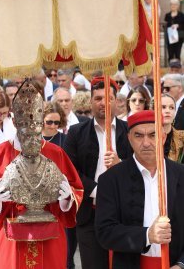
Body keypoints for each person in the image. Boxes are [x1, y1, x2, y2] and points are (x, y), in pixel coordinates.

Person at [0, 80, 83, 269]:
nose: (31, 126)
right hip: (10, 236)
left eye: (36, 120)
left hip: (49, 234)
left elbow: (76, 188)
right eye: (25, 120)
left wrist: (67, 198)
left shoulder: (56, 153)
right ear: (14, 121)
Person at [95, 110, 184, 269]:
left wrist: (181, 264)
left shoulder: (181, 175)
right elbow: (104, 233)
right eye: (138, 136)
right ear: (129, 138)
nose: (146, 143)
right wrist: (147, 235)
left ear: (163, 137)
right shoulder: (110, 179)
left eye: (152, 135)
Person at [64, 76, 133, 269]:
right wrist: (96, 190)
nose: (103, 103)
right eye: (98, 98)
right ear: (91, 101)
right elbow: (69, 171)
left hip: (124, 213)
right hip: (90, 212)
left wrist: (121, 164)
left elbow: (141, 166)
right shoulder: (77, 132)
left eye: (108, 98)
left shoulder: (130, 131)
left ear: (116, 100)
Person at [160, 94, 184, 163]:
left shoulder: (182, 138)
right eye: (163, 107)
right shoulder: (146, 137)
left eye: (171, 108)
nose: (168, 111)